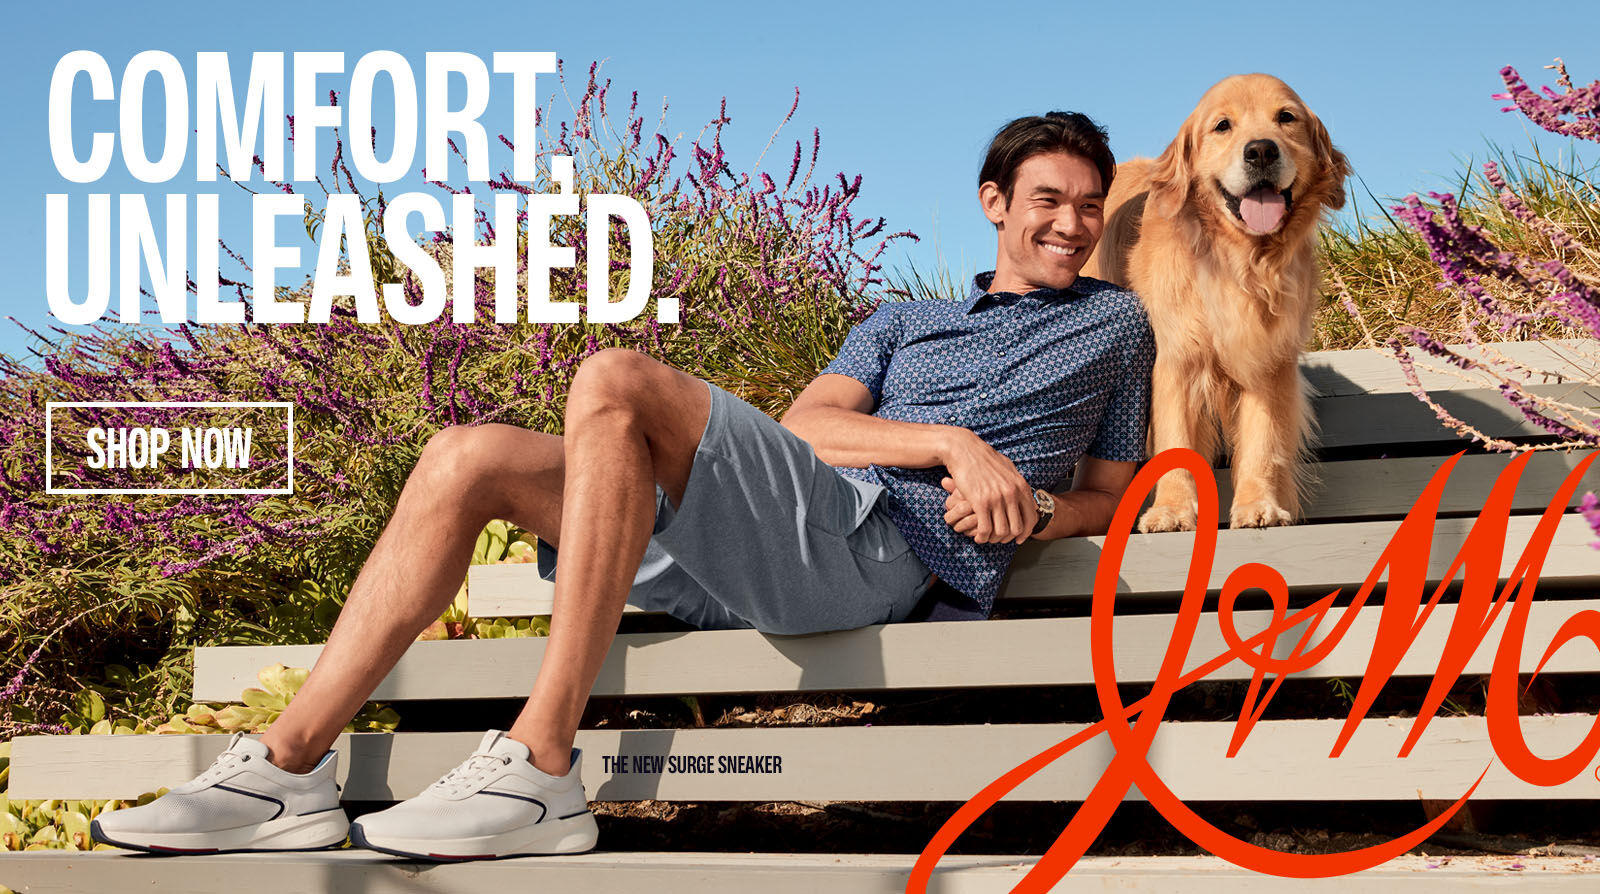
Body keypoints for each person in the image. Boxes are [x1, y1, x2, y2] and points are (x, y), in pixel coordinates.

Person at [90, 111, 1156, 860]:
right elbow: (808, 426)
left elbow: (1117, 493)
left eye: (1088, 208)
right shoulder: (898, 321)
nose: (1068, 225)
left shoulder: (1114, 326)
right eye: (1045, 201)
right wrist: (949, 445)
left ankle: (542, 765)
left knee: (612, 378)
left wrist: (1028, 501)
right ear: (992, 202)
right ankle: (285, 773)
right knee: (463, 457)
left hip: (883, 554)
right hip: (790, 527)